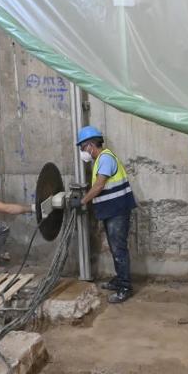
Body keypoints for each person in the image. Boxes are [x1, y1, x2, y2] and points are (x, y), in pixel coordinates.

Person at [76, 126, 137, 303]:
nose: (82, 152)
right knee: (115, 248)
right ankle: (119, 280)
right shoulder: (101, 160)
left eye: (82, 147)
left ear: (90, 145)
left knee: (119, 249)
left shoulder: (105, 159)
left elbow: (99, 186)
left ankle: (125, 287)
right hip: (112, 210)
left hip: (117, 210)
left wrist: (82, 201)